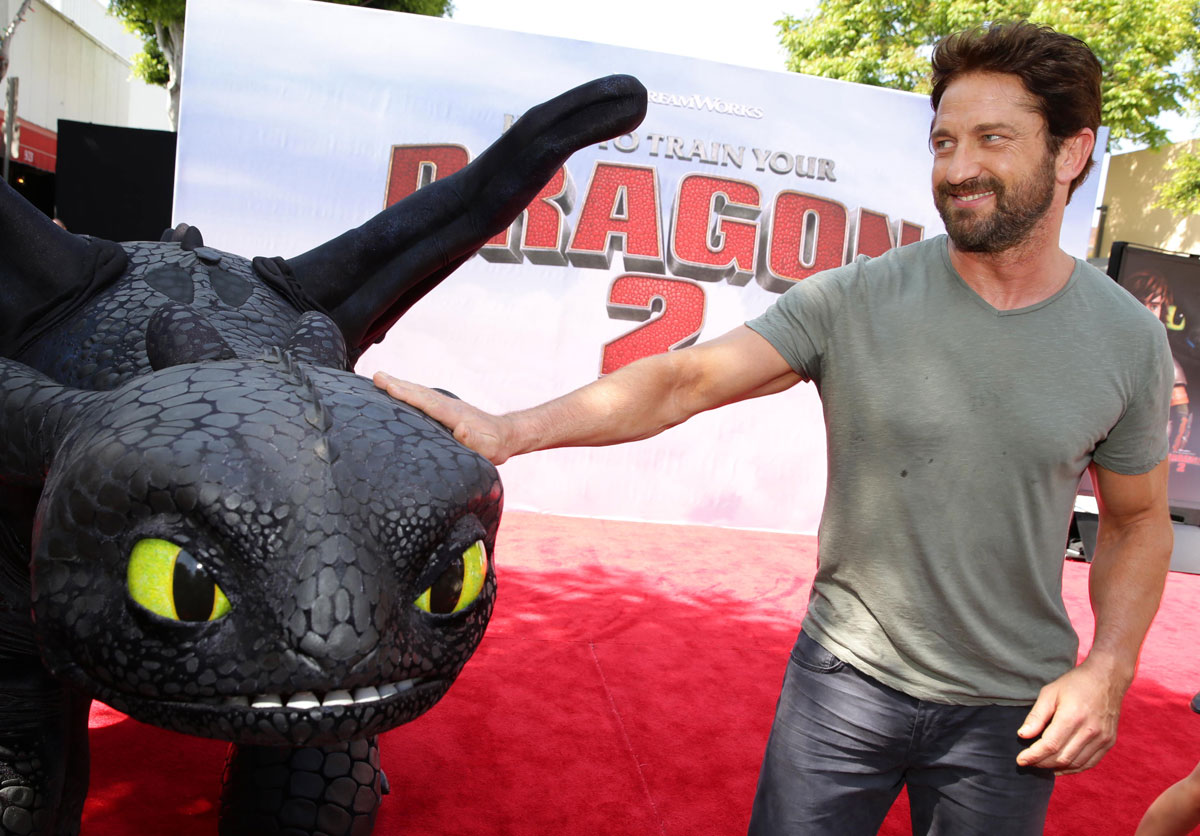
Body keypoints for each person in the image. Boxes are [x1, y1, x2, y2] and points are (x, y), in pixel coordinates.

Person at [375, 21, 1175, 836]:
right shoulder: (857, 298)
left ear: (1072, 153)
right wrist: (510, 430)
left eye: (992, 139)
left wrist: (1109, 669)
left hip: (1010, 713)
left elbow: (1138, 520)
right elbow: (684, 379)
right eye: (944, 142)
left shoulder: (1127, 342)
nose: (957, 167)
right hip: (846, 684)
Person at [1127, 269, 1193, 452]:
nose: (1146, 311)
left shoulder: (1168, 364)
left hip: (1146, 452)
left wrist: (1169, 455)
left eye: (1154, 306)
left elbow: (1181, 418)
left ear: (1162, 309)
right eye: (1140, 302)